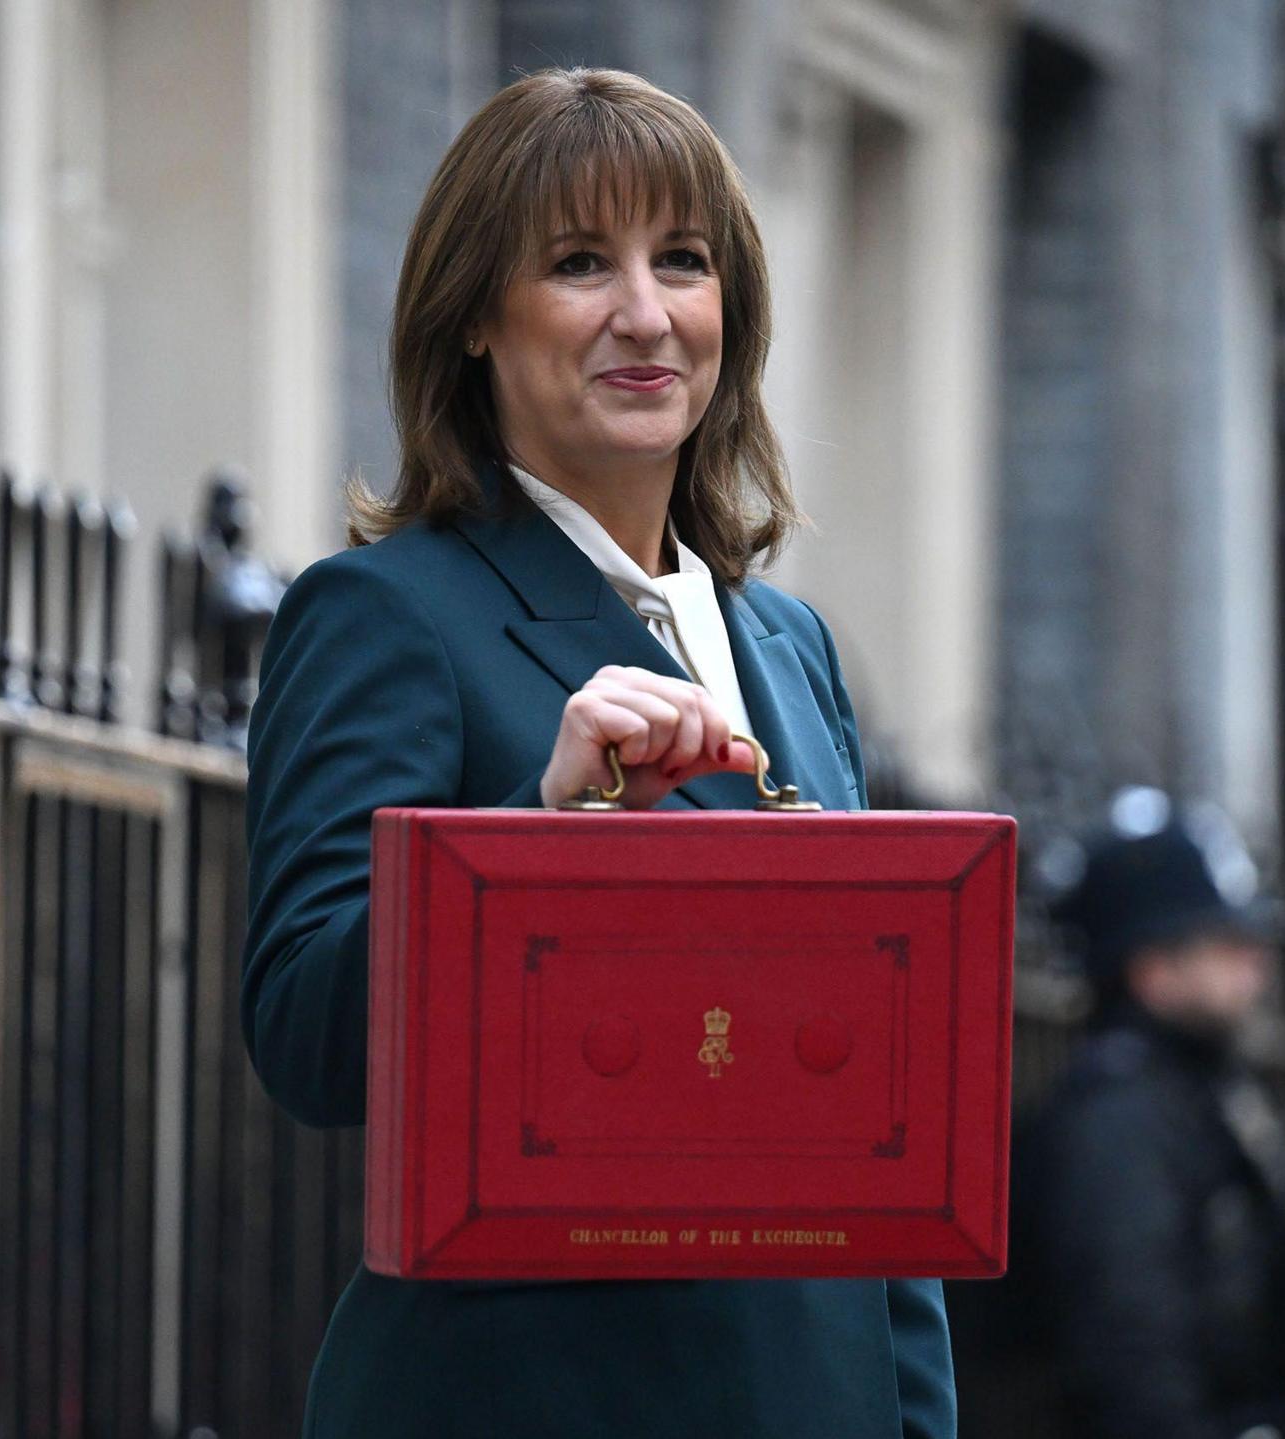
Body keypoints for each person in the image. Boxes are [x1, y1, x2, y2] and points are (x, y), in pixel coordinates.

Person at [239, 68, 953, 1437]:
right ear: (471, 323)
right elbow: (304, 1037)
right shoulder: (389, 614)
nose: (645, 313)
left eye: (681, 261)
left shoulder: (791, 645)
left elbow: (883, 1119)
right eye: (579, 263)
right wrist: (536, 829)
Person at [1005, 787, 1285, 1439]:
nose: (1256, 962)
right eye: (1223, 942)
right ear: (1153, 969)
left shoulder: (1196, 1091)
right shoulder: (1117, 1124)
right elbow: (1133, 1357)